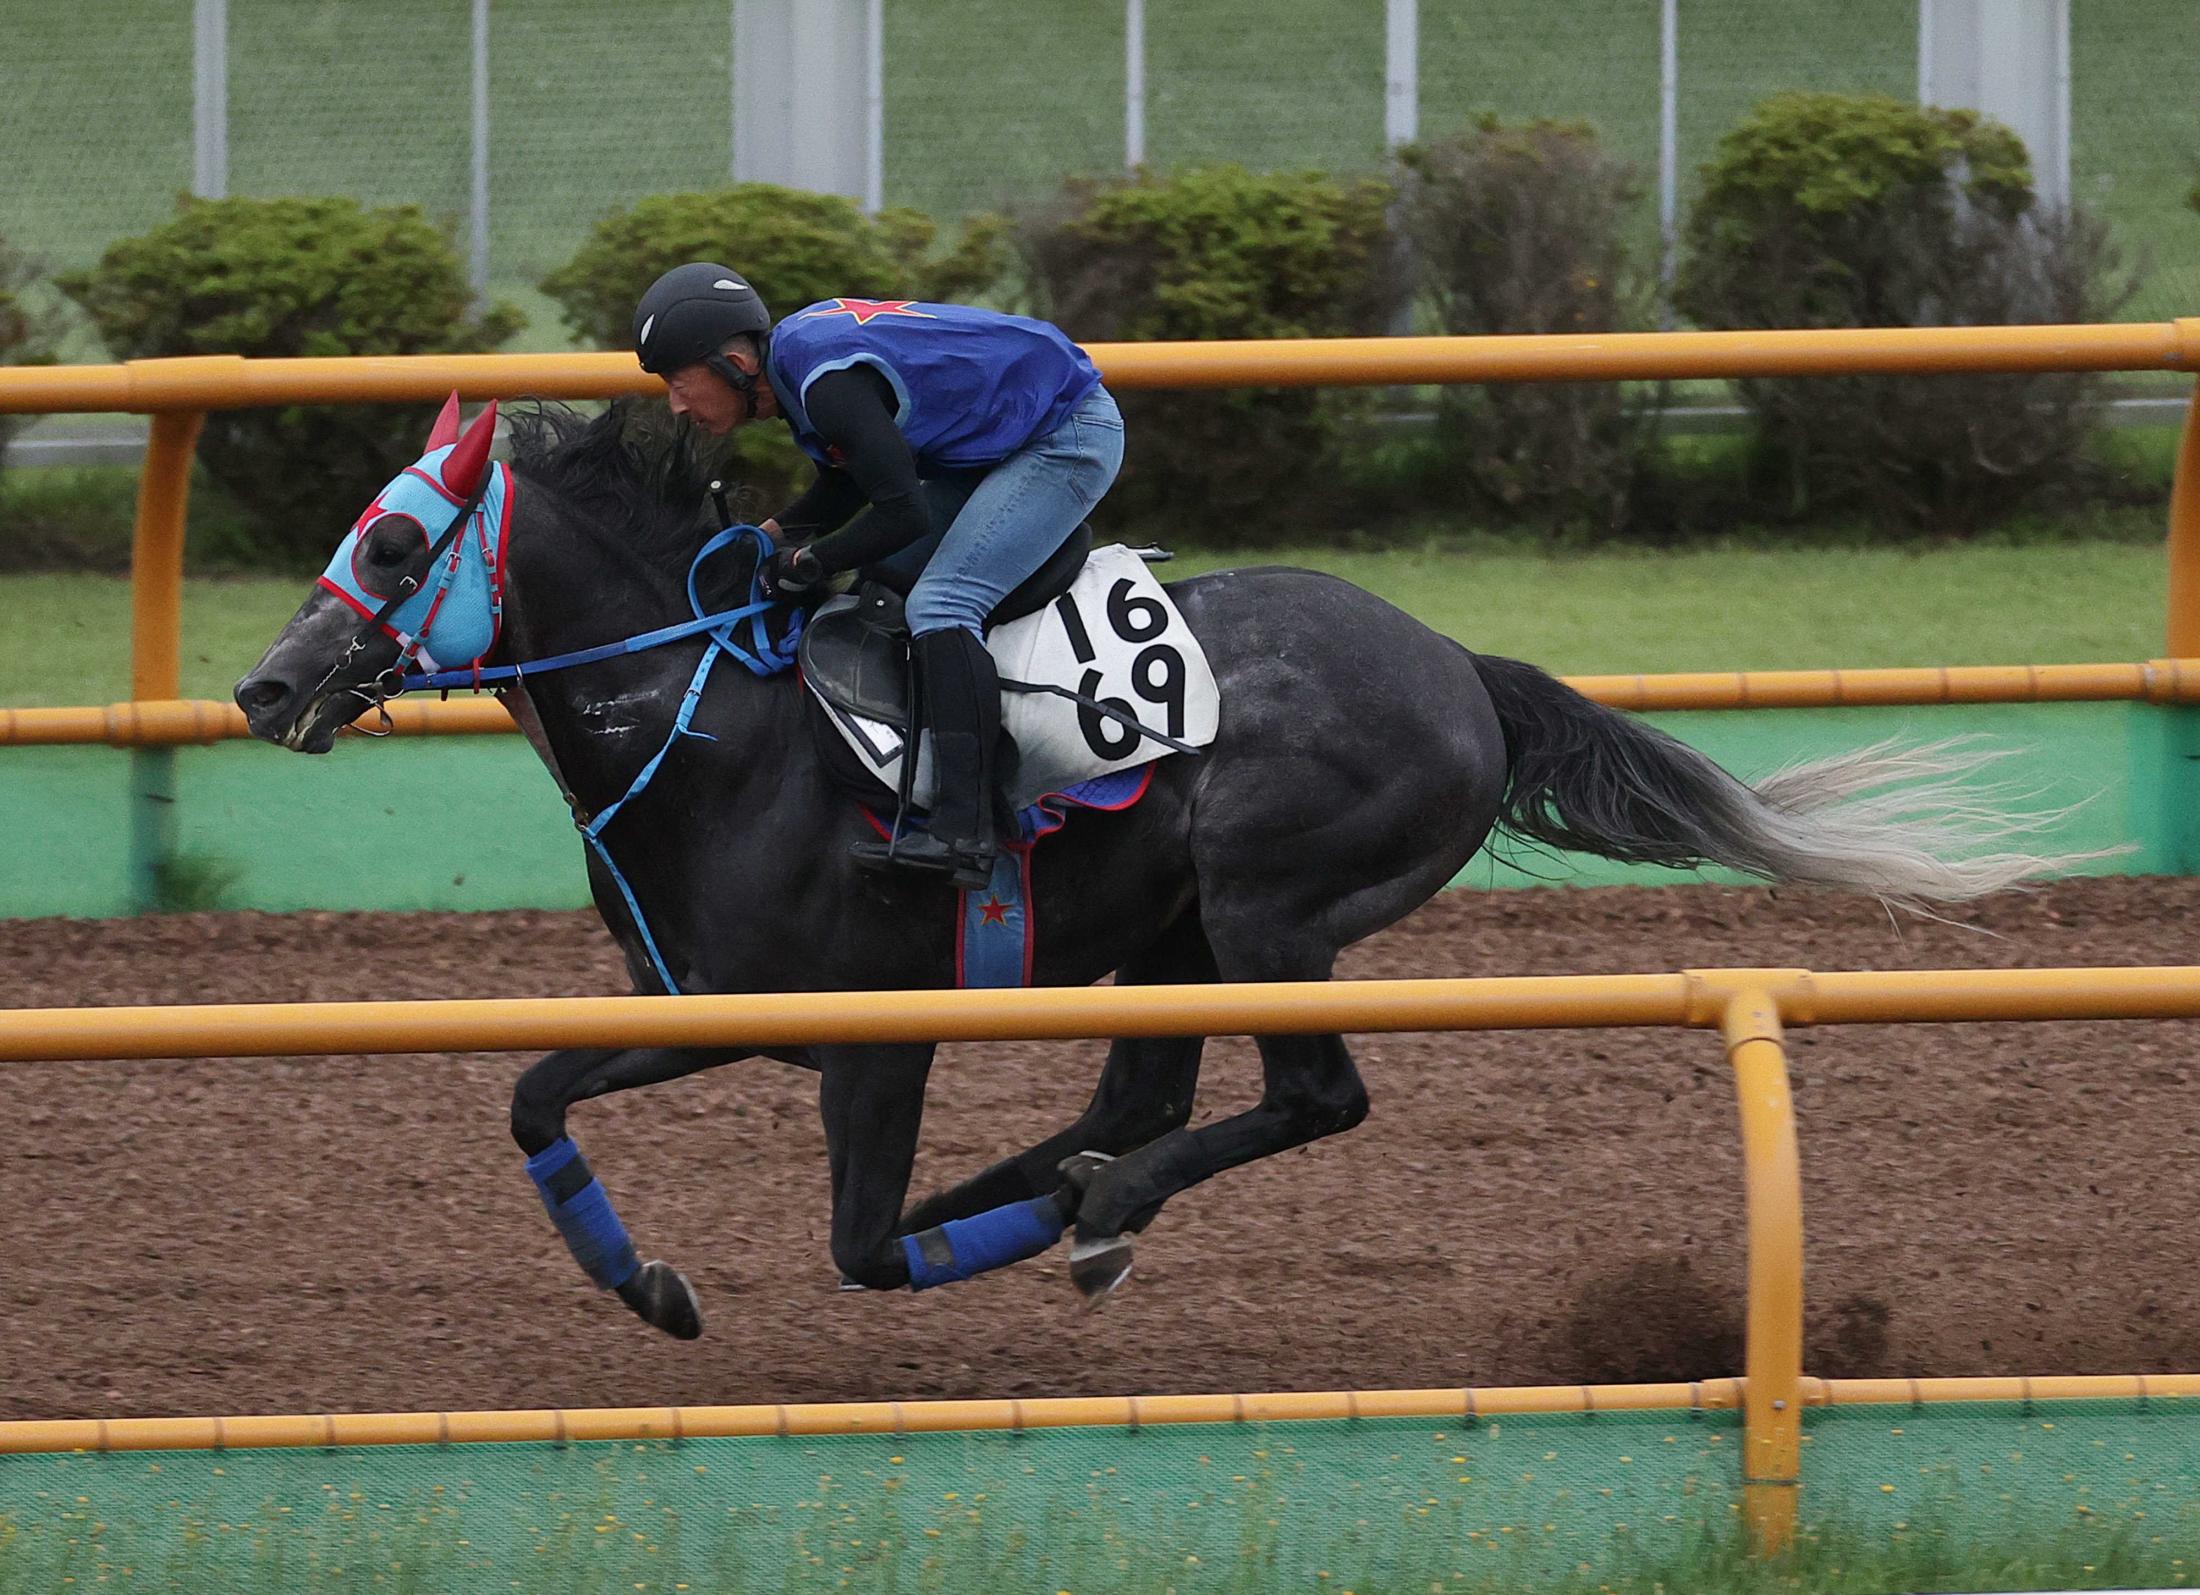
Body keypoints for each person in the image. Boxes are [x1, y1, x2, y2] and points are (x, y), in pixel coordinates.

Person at [631, 262, 1125, 889]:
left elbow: (900, 510)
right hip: (999, 445)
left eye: (679, 382)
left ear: (735, 361)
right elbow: (846, 489)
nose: (676, 405)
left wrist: (809, 564)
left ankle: (966, 829)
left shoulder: (823, 384)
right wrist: (766, 542)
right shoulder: (799, 370)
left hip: (1064, 437)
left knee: (942, 605)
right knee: (887, 581)